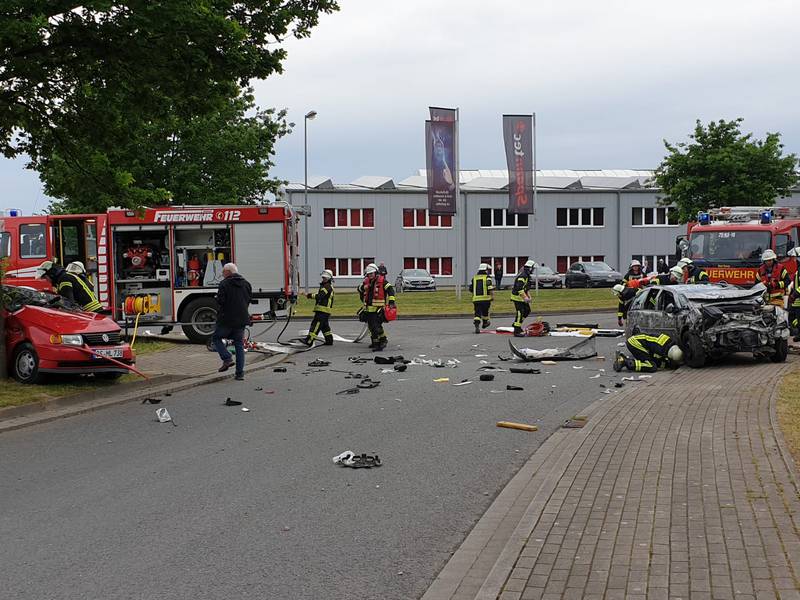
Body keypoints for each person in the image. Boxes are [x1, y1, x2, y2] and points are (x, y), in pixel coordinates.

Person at [212, 263, 252, 381]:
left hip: (226, 319)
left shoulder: (224, 284)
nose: (222, 275)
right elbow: (248, 300)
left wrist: (216, 299)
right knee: (239, 344)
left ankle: (227, 358)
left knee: (216, 338)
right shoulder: (246, 284)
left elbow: (221, 301)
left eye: (223, 272)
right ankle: (240, 374)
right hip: (241, 319)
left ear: (228, 272)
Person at [357, 262, 396, 351]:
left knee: (376, 326)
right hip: (368, 309)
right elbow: (359, 288)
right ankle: (375, 342)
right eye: (368, 274)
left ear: (376, 272)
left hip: (378, 309)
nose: (370, 275)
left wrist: (391, 301)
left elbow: (391, 290)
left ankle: (382, 341)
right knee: (371, 327)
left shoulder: (382, 281)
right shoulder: (367, 282)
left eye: (371, 273)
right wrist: (363, 288)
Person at [36, 260, 102, 312]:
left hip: (91, 312)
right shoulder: (67, 277)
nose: (47, 280)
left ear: (51, 274)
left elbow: (68, 303)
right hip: (93, 310)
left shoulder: (65, 279)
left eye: (46, 277)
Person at [613, 332, 684, 373]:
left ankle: (623, 359)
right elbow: (656, 360)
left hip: (636, 341)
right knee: (651, 366)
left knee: (651, 362)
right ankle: (626, 362)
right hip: (635, 343)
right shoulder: (660, 349)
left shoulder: (669, 341)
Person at [304, 269, 335, 346]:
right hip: (323, 310)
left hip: (323, 311)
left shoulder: (327, 287)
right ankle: (329, 340)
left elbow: (320, 296)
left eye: (325, 278)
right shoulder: (325, 286)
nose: (323, 279)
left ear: (329, 278)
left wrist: (308, 295)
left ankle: (309, 340)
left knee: (316, 325)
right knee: (324, 326)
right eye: (323, 277)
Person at [510, 260, 535, 337]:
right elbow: (519, 288)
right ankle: (516, 330)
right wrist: (525, 298)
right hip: (517, 298)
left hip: (522, 298)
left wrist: (529, 297)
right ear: (530, 268)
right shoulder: (523, 276)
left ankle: (516, 324)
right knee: (520, 313)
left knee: (527, 310)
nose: (533, 270)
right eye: (532, 268)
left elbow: (526, 289)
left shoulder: (527, 276)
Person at [469, 263, 494, 333]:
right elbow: (490, 288)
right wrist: (492, 296)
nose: (488, 271)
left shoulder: (474, 278)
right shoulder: (487, 277)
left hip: (476, 299)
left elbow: (471, 289)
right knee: (485, 312)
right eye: (488, 270)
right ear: (485, 270)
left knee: (477, 313)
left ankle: (477, 324)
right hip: (486, 299)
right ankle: (485, 323)